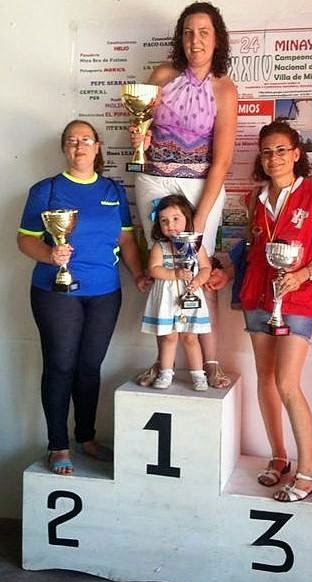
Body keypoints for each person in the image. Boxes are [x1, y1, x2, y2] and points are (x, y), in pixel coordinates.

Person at [208, 120, 312, 502]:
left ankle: (308, 471)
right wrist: (227, 272)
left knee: (286, 382)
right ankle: (279, 456)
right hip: (258, 297)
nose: (274, 157)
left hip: (297, 298)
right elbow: (249, 249)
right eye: (267, 152)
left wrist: (303, 275)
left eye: (282, 150)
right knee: (265, 378)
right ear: (261, 159)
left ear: (297, 154)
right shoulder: (256, 199)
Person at [17, 120, 147, 475]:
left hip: (105, 292)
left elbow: (126, 240)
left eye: (85, 140)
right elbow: (25, 238)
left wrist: (137, 273)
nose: (79, 146)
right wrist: (49, 256)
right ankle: (58, 444)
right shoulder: (46, 190)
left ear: (98, 146)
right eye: (72, 141)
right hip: (55, 292)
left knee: (90, 367)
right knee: (60, 365)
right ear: (64, 148)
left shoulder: (113, 190)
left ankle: (86, 437)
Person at [131, 1, 238, 389]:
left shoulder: (225, 87)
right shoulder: (160, 74)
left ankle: (209, 362)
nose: (196, 40)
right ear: (181, 37)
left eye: (204, 32)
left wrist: (201, 216)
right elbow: (140, 131)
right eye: (189, 32)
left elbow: (222, 160)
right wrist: (138, 137)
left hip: (199, 186)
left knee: (200, 271)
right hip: (154, 181)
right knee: (162, 273)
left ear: (217, 39)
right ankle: (163, 365)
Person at [142, 194, 211, 391]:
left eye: (175, 219)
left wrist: (197, 280)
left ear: (187, 219)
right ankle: (165, 373)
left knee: (191, 337)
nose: (170, 225)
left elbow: (206, 268)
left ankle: (198, 375)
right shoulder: (160, 246)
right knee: (168, 337)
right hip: (167, 297)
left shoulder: (196, 245)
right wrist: (174, 273)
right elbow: (154, 269)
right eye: (164, 221)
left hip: (191, 295)